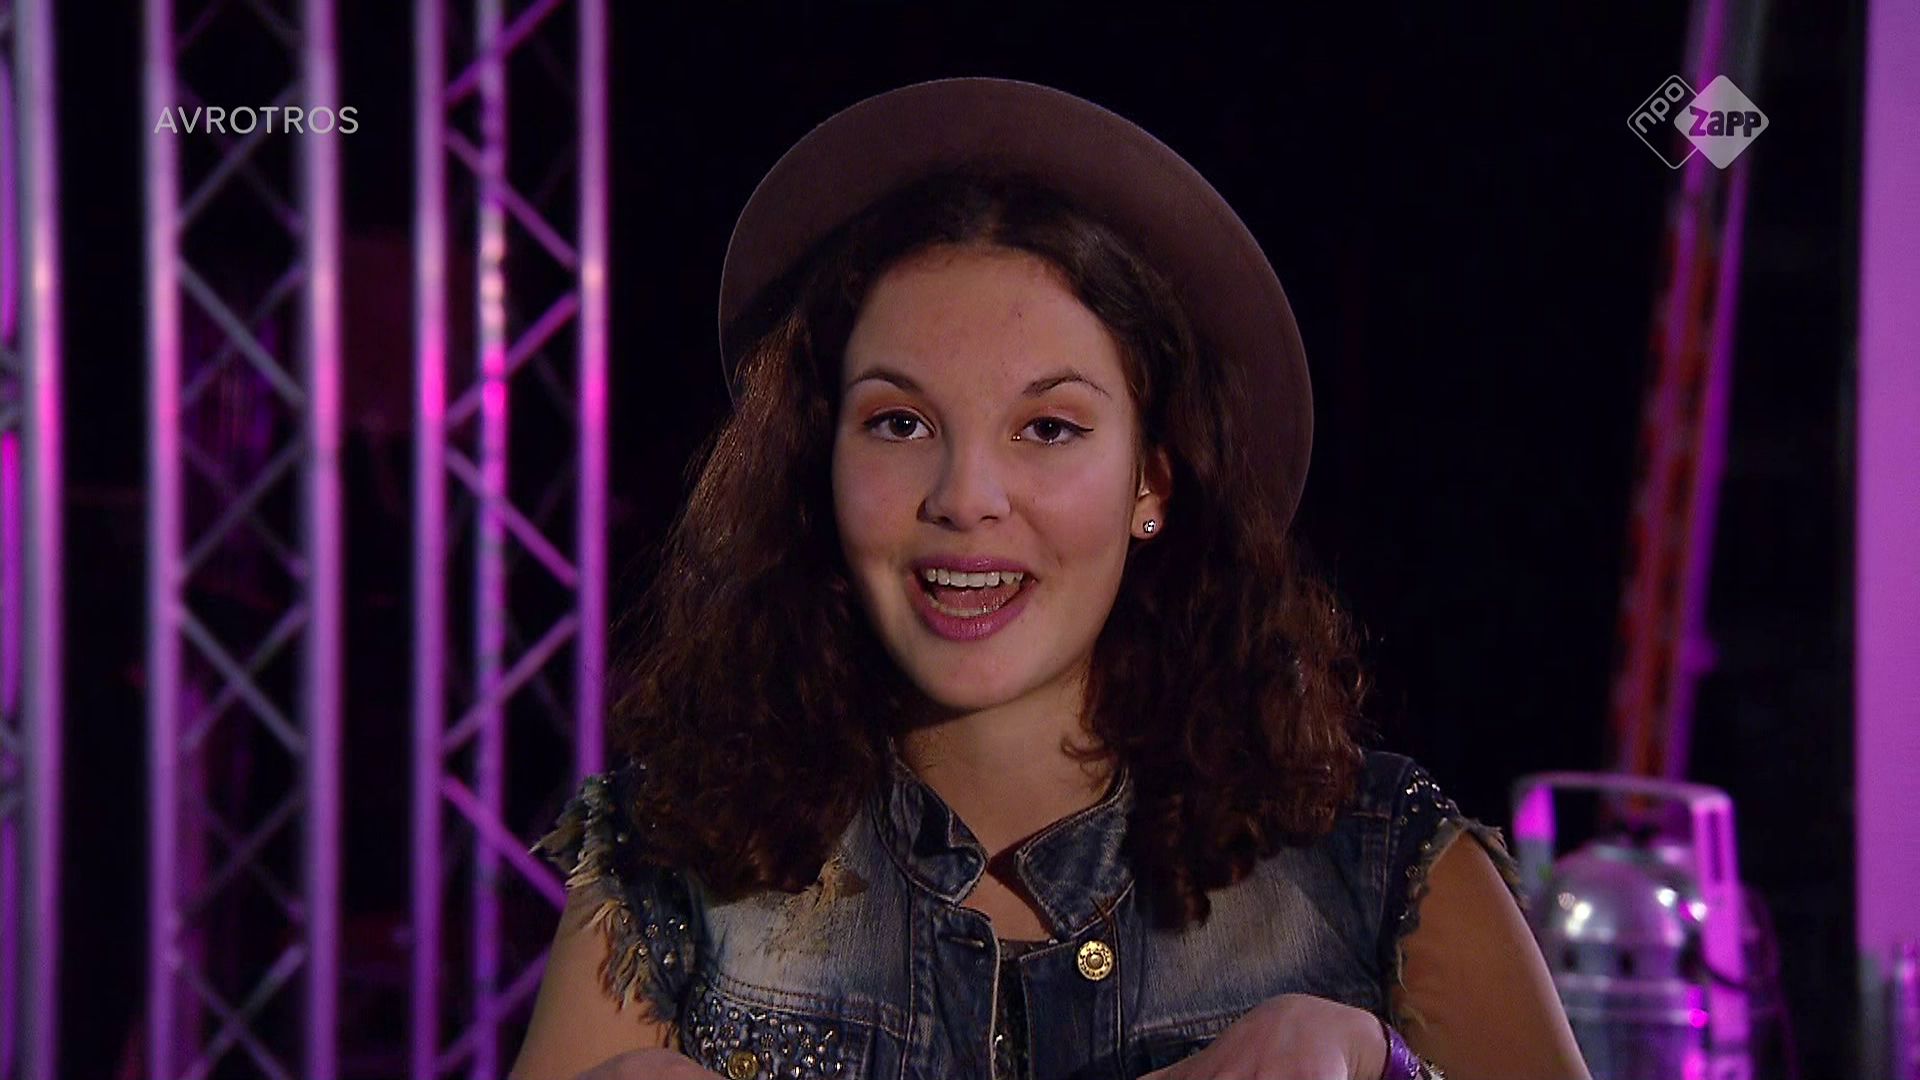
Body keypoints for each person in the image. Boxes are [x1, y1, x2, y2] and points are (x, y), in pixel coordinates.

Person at [509, 78, 1590, 1080]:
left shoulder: (1379, 864)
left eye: (1049, 427)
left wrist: (1378, 1063)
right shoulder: (670, 864)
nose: (965, 496)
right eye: (899, 422)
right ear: (817, 461)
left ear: (1151, 481)